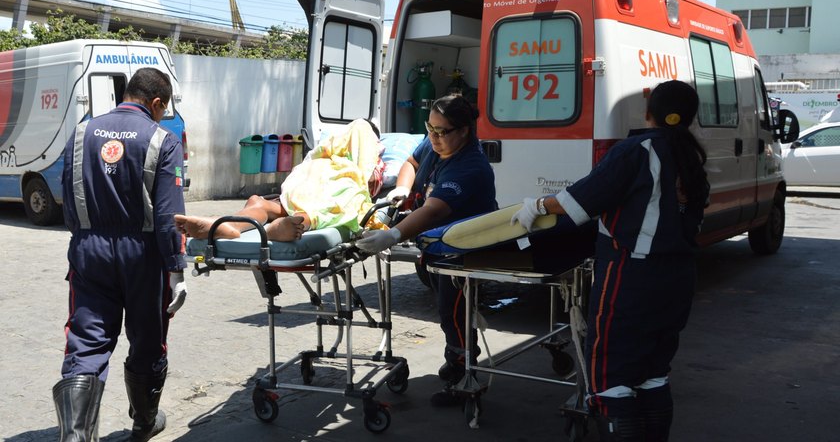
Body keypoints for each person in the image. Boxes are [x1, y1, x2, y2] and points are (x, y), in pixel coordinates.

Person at [510, 80, 709, 441]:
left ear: (649, 112)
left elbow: (582, 199)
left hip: (633, 276)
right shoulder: (691, 155)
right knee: (652, 374)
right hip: (679, 277)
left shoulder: (637, 149)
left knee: (611, 377)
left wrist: (537, 206)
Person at [53, 67, 187, 442]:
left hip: (88, 250)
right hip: (142, 254)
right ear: (156, 102)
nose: (163, 116)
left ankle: (76, 436)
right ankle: (144, 421)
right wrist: (176, 268)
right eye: (163, 109)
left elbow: (68, 199)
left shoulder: (81, 132)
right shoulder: (163, 139)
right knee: (147, 338)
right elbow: (167, 216)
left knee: (86, 340)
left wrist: (86, 240)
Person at [355, 94, 497, 407]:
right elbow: (412, 161)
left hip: (463, 253)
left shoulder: (470, 166)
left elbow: (434, 210)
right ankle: (457, 358)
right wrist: (403, 189)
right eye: (429, 128)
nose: (433, 137)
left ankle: (465, 377)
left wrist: (392, 235)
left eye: (441, 131)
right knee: (447, 308)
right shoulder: (437, 144)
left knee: (454, 312)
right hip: (437, 248)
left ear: (464, 131)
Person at [175, 118, 386, 241]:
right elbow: (367, 175)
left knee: (266, 205)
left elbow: (310, 159)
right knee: (327, 209)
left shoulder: (329, 145)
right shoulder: (368, 141)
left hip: (304, 179)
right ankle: (278, 229)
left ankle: (229, 225)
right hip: (335, 181)